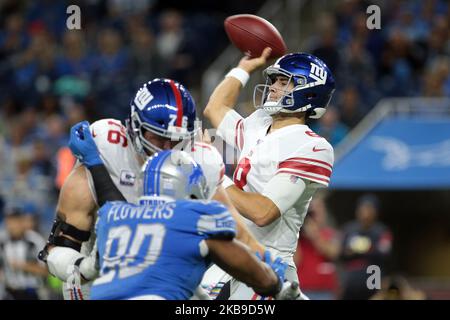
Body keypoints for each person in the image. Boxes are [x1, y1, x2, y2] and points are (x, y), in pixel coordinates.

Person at [38, 78, 263, 300]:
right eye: (158, 137)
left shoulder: (201, 160)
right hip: (101, 277)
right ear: (135, 127)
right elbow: (57, 249)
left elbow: (233, 230)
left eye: (175, 140)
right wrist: (85, 267)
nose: (165, 148)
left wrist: (267, 262)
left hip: (164, 274)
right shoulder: (107, 147)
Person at [65, 126, 299, 299]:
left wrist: (95, 163)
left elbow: (109, 202)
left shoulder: (115, 217)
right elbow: (248, 267)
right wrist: (275, 282)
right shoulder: (195, 218)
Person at [203, 48, 336, 299]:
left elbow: (263, 212)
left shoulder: (312, 146)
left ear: (309, 91)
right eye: (274, 80)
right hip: (233, 255)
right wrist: (243, 69)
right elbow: (215, 108)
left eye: (284, 82)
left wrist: (214, 175)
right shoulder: (260, 122)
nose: (273, 87)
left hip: (268, 262)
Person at [339, 194, 393, 300]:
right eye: (363, 208)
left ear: (375, 212)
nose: (365, 213)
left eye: (369, 209)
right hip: (352, 278)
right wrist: (351, 251)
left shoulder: (381, 230)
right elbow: (340, 253)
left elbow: (384, 253)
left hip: (373, 275)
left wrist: (364, 249)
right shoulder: (349, 229)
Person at [294, 195, 340, 300]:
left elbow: (333, 253)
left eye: (319, 209)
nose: (316, 214)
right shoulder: (299, 237)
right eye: (312, 211)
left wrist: (315, 235)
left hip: (325, 292)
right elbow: (295, 260)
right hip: (302, 290)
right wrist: (297, 233)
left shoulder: (330, 234)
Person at [0, 205, 48, 300]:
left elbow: (45, 271)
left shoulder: (34, 241)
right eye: (8, 221)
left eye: (15, 221)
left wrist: (23, 266)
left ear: (22, 222)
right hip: (9, 292)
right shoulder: (3, 241)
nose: (11, 226)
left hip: (31, 292)